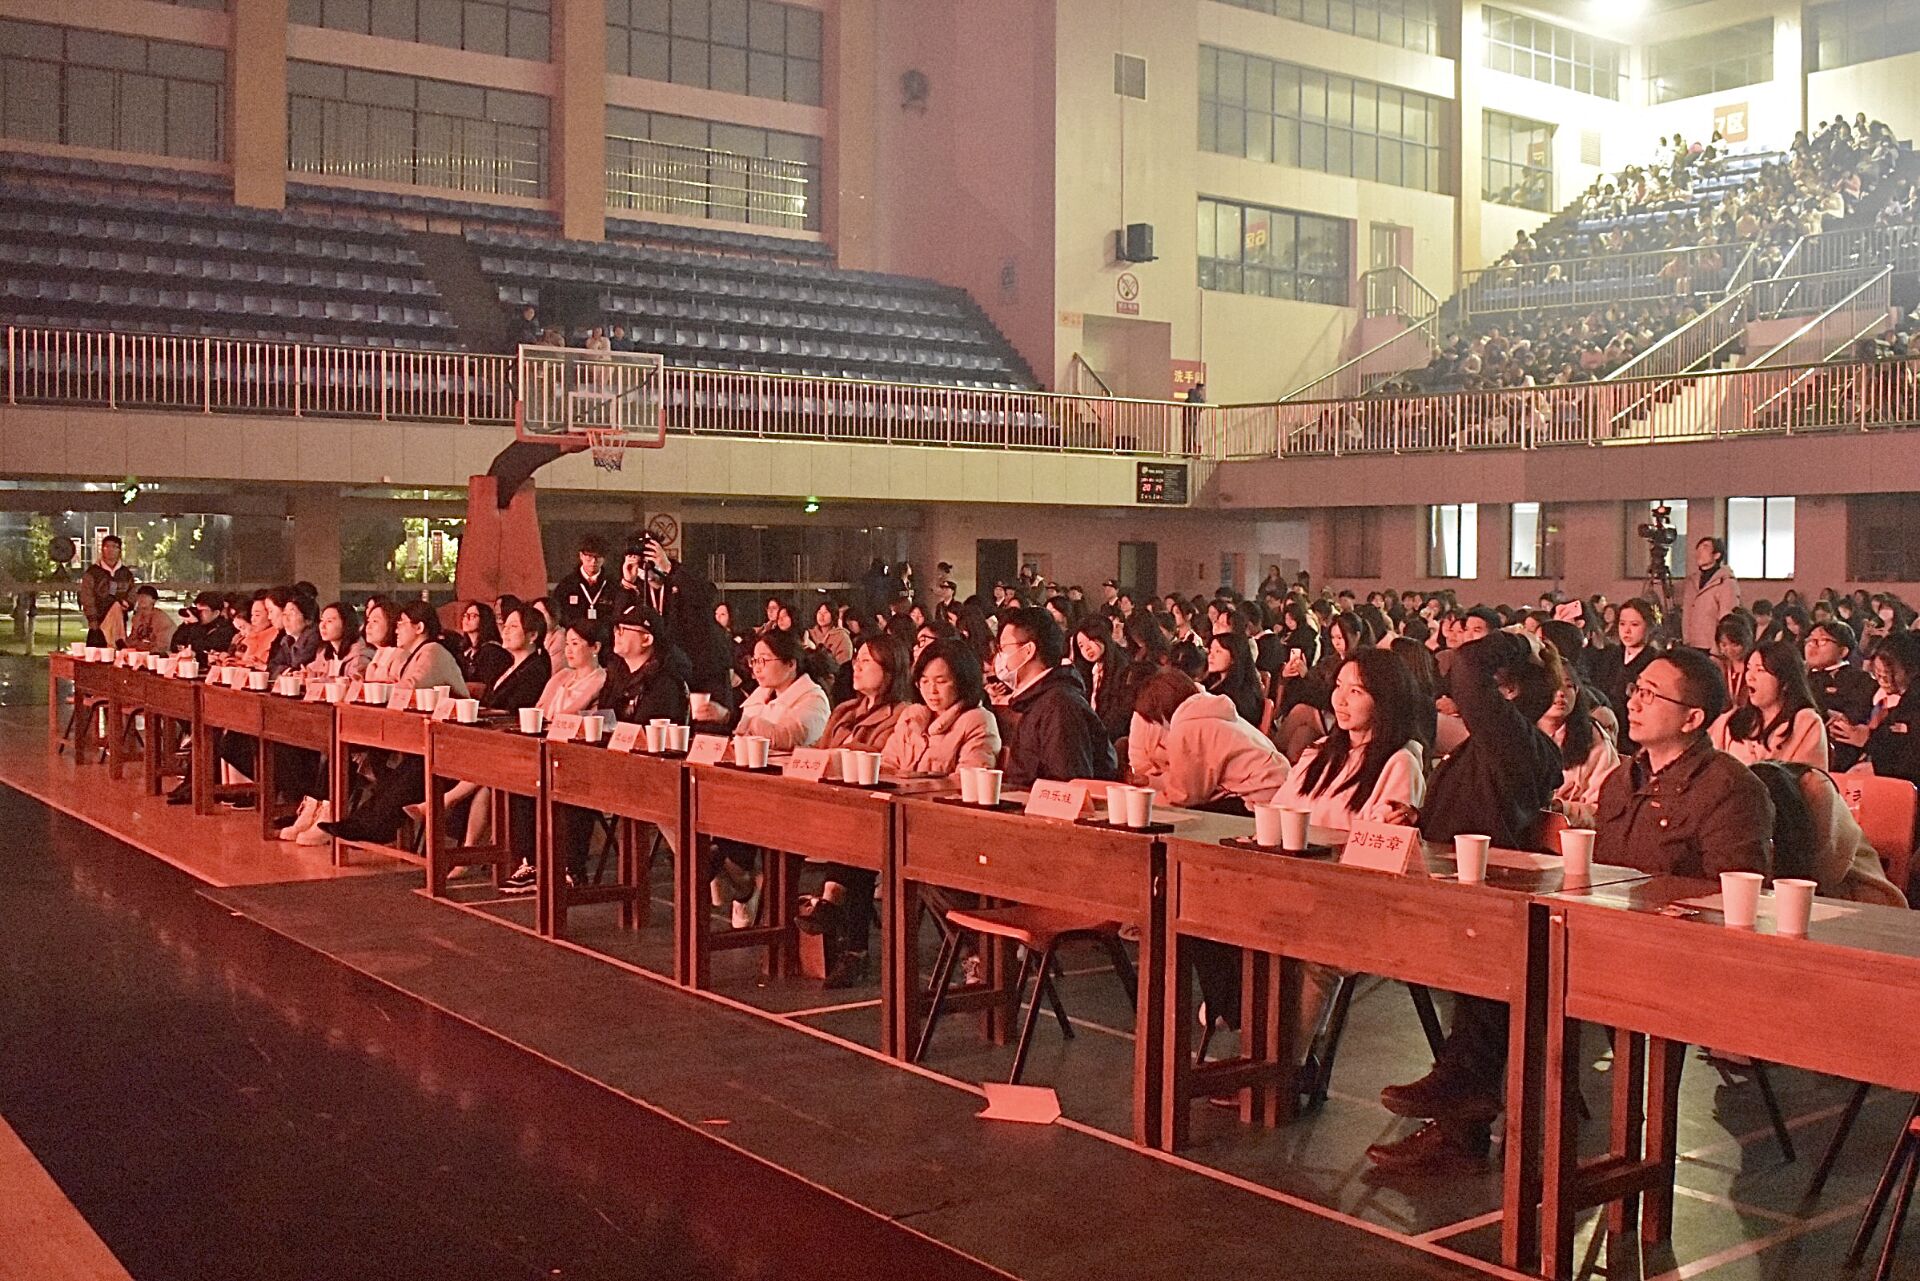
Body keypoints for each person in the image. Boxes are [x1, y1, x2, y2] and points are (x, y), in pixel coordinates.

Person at [1370, 646, 1769, 1175]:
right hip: (1606, 935)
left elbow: (1735, 898)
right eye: (1636, 690)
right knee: (1501, 952)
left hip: (1669, 953)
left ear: (1692, 718)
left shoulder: (1730, 788)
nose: (1635, 702)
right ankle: (1465, 1106)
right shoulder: (1623, 779)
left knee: (1512, 964)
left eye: (1652, 695)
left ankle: (1468, 1101)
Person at [801, 635, 913, 986]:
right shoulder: (845, 710)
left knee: (857, 837)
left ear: (890, 669)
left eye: (866, 661)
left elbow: (888, 763)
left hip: (877, 811)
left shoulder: (903, 714)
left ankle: (838, 917)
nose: (857, 667)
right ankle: (848, 943)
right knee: (845, 832)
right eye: (857, 660)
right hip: (832, 807)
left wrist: (849, 752)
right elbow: (820, 752)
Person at [316, 603, 471, 845]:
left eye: (402, 623)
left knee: (411, 769)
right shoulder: (417, 654)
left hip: (453, 742)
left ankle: (370, 824)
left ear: (419, 627)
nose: (396, 629)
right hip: (426, 737)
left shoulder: (432, 652)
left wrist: (375, 685)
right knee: (383, 760)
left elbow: (407, 688)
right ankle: (364, 822)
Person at [712, 629, 833, 926]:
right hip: (754, 786)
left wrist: (732, 718)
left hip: (795, 795)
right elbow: (741, 734)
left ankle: (742, 885)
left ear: (791, 664)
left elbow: (790, 735)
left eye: (765, 660)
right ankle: (738, 882)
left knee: (729, 830)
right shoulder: (760, 695)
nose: (757, 668)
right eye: (754, 661)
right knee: (717, 813)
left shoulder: (812, 698)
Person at [1126, 669, 1289, 810]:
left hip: (1258, 797)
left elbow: (1186, 795)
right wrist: (1151, 781)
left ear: (1160, 711)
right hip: (1278, 784)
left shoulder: (1187, 727)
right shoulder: (1209, 709)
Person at [994, 607, 1117, 791]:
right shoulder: (1037, 699)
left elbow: (1067, 786)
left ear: (1028, 651)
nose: (1000, 657)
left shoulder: (1059, 705)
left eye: (1004, 648)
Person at [1750, 762, 1906, 907]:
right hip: (1783, 894)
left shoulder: (1815, 788)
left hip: (1847, 889)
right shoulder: (1743, 784)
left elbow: (1827, 873)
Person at [1712, 640, 1829, 768]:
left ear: (1785, 682)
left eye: (1760, 670)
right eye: (1749, 668)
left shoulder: (1805, 723)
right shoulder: (1730, 721)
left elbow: (1810, 777)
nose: (1750, 677)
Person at [1538, 648, 1619, 828]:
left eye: (1569, 685)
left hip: (1575, 833)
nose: (1561, 693)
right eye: (1554, 684)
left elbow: (1608, 807)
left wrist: (1564, 808)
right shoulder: (1519, 733)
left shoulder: (1592, 736)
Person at [1833, 632, 1920, 786]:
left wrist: (1869, 740)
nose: (1882, 681)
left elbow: (1910, 755)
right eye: (1877, 675)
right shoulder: (1905, 699)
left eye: (1887, 674)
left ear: (1910, 668)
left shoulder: (1913, 701)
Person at [1806, 620, 1877, 771]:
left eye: (1822, 641)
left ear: (1843, 651)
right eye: (1810, 640)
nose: (1813, 645)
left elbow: (1852, 717)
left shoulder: (1860, 679)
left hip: (1841, 757)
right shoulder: (1798, 678)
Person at [1070, 616, 1134, 742]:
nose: (1087, 648)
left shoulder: (1124, 668)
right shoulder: (1091, 671)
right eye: (1081, 646)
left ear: (1101, 636)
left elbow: (1120, 715)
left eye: (1090, 640)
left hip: (1112, 740)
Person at [552, 533, 616, 643]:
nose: (593, 561)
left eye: (598, 557)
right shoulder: (567, 585)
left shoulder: (613, 584)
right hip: (574, 640)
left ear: (604, 558)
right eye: (589, 556)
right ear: (581, 555)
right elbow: (558, 614)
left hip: (605, 641)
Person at [78, 534, 134, 648]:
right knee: (97, 653)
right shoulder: (93, 572)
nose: (110, 550)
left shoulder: (126, 573)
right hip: (99, 620)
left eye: (114, 547)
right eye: (107, 547)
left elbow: (132, 593)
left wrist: (128, 604)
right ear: (102, 549)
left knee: (119, 650)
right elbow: (87, 596)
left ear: (119, 550)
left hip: (119, 621)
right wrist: (92, 619)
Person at [1203, 631, 1265, 726]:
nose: (1211, 656)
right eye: (1210, 651)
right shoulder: (1211, 681)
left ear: (1234, 657)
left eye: (1218, 651)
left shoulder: (1241, 695)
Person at [456, 601, 511, 693]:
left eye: (473, 616)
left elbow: (489, 685)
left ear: (484, 620)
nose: (467, 619)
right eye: (465, 615)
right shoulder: (466, 651)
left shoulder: (493, 651)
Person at [268, 595, 323, 678]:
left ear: (308, 619)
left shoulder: (315, 638)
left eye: (291, 614)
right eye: (284, 614)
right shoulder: (287, 640)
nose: (286, 619)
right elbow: (272, 666)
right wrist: (287, 671)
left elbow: (298, 666)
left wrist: (285, 672)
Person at [123, 586, 175, 654]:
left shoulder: (161, 619)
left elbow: (163, 645)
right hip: (139, 653)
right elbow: (132, 639)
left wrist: (143, 647)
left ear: (154, 600)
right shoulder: (137, 617)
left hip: (157, 655)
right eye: (140, 596)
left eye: (146, 596)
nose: (142, 599)